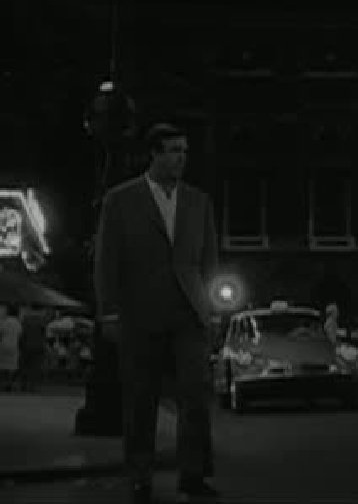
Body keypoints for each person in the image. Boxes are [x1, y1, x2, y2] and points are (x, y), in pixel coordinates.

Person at [94, 122, 220, 504]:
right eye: (174, 151)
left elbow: (209, 260)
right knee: (140, 399)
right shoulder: (120, 200)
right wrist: (109, 312)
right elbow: (107, 260)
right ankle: (140, 476)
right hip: (139, 311)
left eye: (185, 151)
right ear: (154, 154)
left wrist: (212, 309)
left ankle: (193, 474)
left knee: (195, 395)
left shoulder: (198, 201)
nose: (182, 158)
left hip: (189, 311)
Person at [19, 309, 48, 391]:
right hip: (38, 346)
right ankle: (32, 386)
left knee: (25, 366)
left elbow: (22, 334)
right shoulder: (42, 321)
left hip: (26, 346)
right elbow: (44, 335)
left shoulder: (25, 319)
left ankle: (23, 385)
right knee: (35, 367)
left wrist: (21, 345)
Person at [0, 303, 23, 391]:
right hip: (14, 345)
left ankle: (3, 384)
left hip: (4, 345)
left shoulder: (5, 321)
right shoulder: (18, 323)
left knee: (3, 365)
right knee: (12, 366)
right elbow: (20, 335)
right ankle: (9, 383)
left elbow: (0, 334)